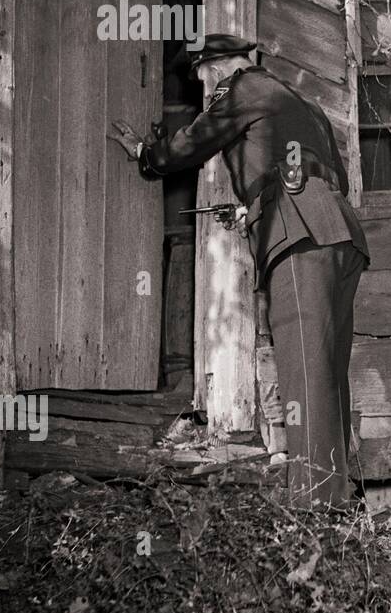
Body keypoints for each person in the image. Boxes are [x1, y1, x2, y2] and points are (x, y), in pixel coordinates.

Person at [109, 34, 369, 508]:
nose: (207, 92)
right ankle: (338, 497)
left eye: (205, 80)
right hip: (340, 233)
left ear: (218, 68)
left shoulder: (243, 88)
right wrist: (255, 203)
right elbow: (334, 177)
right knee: (329, 371)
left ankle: (313, 506)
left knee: (305, 371)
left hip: (299, 232)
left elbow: (194, 141)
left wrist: (148, 155)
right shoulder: (300, 101)